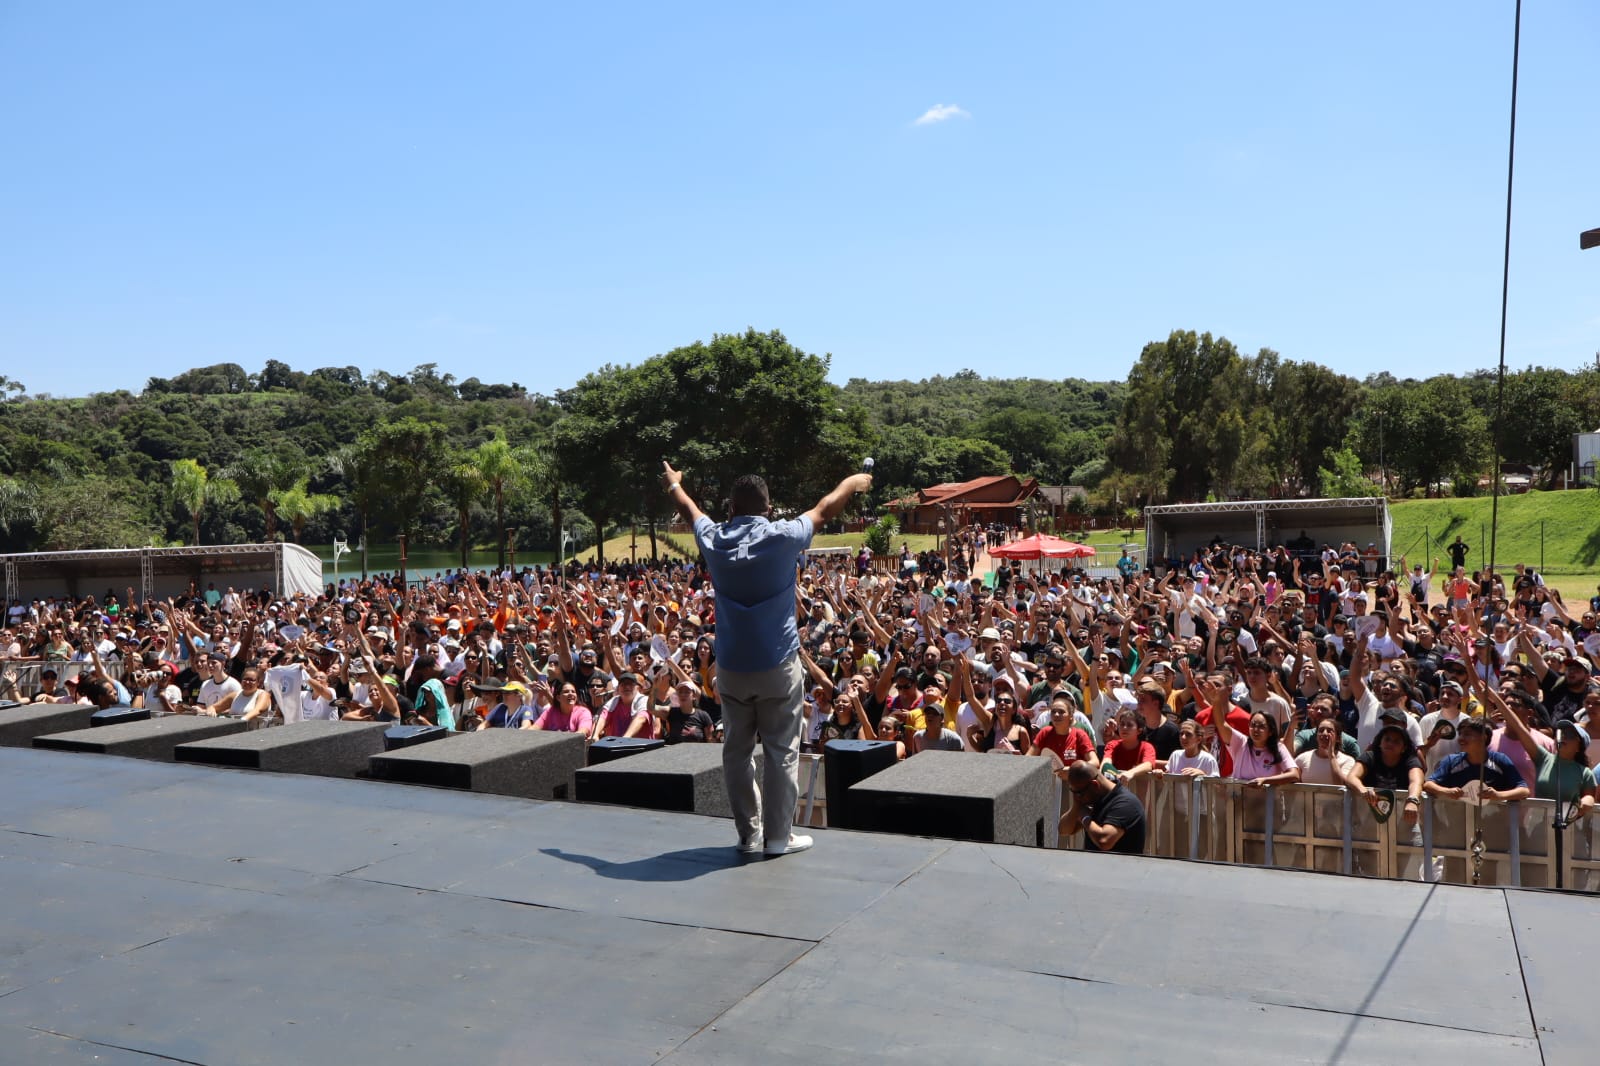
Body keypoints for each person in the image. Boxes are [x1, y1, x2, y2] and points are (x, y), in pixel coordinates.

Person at [663, 458, 872, 858]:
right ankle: (779, 837)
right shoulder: (782, 535)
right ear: (769, 508)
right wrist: (852, 482)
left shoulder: (714, 538)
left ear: (730, 509)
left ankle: (747, 835)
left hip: (732, 667)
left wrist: (674, 484)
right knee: (781, 750)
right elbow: (826, 508)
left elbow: (689, 509)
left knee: (736, 751)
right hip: (777, 662)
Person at [1060, 760, 1146, 854]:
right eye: (1074, 793)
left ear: (1095, 785)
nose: (1077, 797)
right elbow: (1064, 830)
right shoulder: (1096, 799)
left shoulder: (1126, 804)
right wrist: (1077, 805)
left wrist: (1085, 818)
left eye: (1079, 793)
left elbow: (1104, 841)